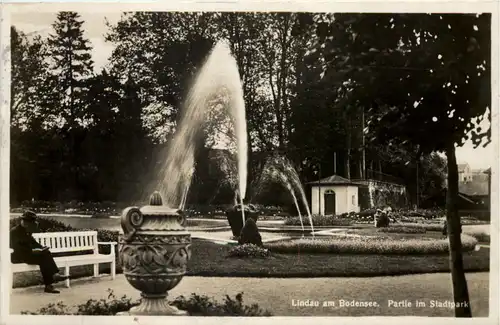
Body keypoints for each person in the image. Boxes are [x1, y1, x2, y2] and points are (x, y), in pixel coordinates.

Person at [10, 211, 69, 293]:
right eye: (29, 222)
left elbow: (33, 243)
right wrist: (33, 251)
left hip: (28, 255)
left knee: (45, 253)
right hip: (19, 256)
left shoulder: (26, 231)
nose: (29, 224)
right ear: (25, 221)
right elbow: (16, 248)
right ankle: (51, 281)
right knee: (43, 257)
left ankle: (53, 279)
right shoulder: (14, 232)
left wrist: (41, 248)